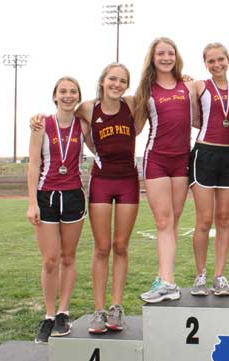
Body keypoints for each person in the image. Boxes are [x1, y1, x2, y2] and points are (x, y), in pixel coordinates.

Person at [134, 37, 199, 303]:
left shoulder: (189, 86)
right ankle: (168, 282)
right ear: (152, 57)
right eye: (160, 53)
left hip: (182, 160)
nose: (165, 57)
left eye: (170, 53)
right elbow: (135, 128)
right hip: (157, 160)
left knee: (172, 223)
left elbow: (199, 120)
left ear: (176, 56)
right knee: (163, 221)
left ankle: (165, 279)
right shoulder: (145, 90)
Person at [77, 63, 140, 332]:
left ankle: (116, 307)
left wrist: (182, 79)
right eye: (112, 79)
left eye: (122, 80)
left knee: (121, 246)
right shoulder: (89, 108)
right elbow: (65, 110)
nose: (117, 84)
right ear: (102, 81)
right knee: (102, 247)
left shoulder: (132, 104)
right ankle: (99, 310)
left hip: (128, 181)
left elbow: (156, 90)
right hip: (102, 181)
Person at [27, 77, 89, 343]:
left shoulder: (83, 125)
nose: (67, 95)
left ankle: (64, 311)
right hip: (46, 196)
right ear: (54, 96)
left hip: (74, 195)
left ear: (78, 97)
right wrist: (32, 202)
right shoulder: (41, 124)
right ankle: (49, 315)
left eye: (72, 91)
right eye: (62, 91)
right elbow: (32, 165)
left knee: (68, 257)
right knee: (50, 259)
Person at [189, 43, 229, 296]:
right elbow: (193, 117)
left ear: (228, 60)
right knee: (204, 220)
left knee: (223, 218)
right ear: (205, 64)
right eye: (211, 61)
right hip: (205, 153)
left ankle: (220, 276)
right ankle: (201, 275)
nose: (217, 64)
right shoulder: (198, 86)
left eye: (221, 59)